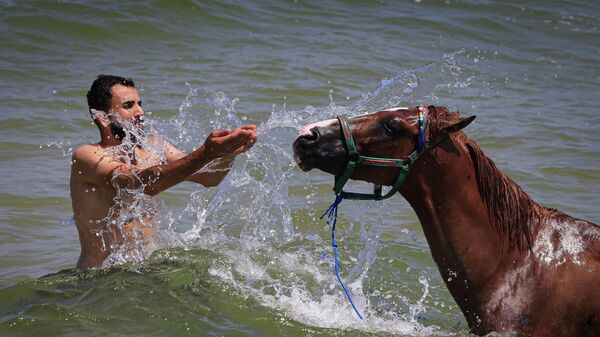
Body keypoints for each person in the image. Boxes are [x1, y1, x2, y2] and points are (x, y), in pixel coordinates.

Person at [70, 75, 257, 268]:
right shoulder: (88, 156)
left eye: (139, 104)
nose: (140, 112)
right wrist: (206, 152)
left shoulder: (153, 147)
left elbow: (210, 177)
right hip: (99, 277)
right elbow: (139, 183)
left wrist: (228, 154)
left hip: (144, 271)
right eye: (128, 106)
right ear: (102, 117)